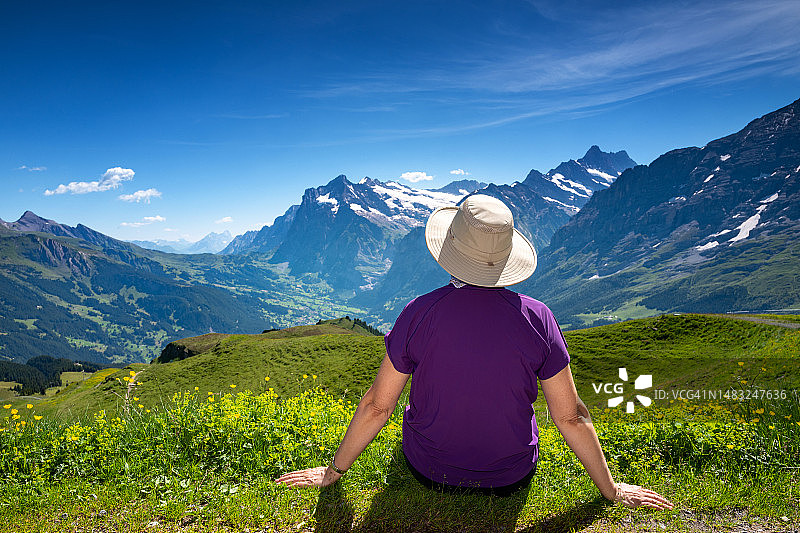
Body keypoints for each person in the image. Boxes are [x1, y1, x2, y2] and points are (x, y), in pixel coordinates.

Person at [276, 195, 673, 509]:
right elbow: (569, 416)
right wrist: (611, 488)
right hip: (510, 476)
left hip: (429, 470)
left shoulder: (419, 311)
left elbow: (377, 409)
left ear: (450, 249)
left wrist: (334, 471)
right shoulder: (539, 317)